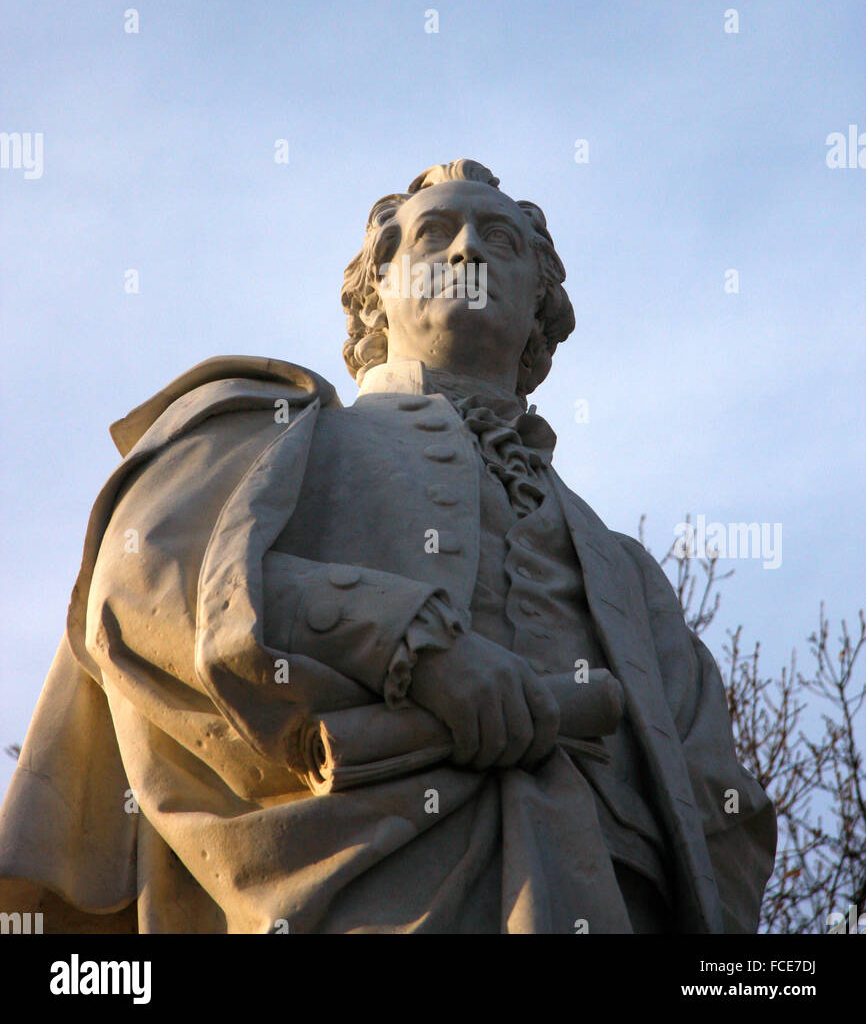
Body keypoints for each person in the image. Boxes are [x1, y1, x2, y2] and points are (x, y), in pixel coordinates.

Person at [0, 158, 775, 933]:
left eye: (500, 240)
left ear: (540, 303)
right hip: (356, 882)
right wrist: (416, 646)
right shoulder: (272, 428)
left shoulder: (630, 579)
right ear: (377, 291)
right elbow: (146, 580)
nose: (467, 250)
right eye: (436, 234)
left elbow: (722, 814)